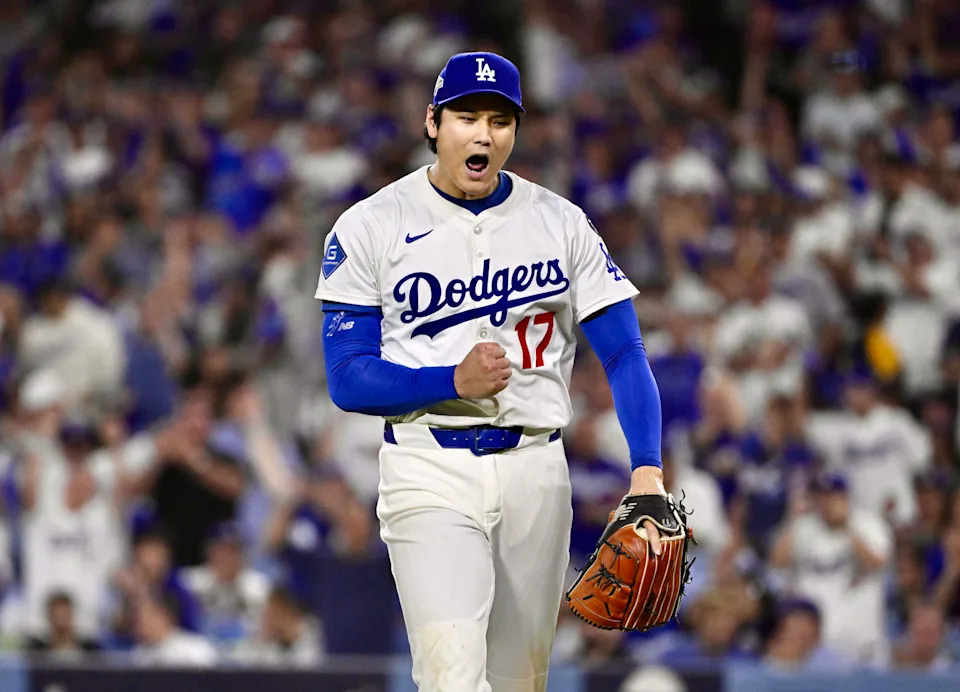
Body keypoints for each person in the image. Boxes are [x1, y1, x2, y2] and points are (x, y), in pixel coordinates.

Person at [315, 51, 670, 691]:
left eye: (500, 121)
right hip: (429, 466)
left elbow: (623, 353)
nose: (484, 134)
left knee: (516, 683)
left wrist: (646, 467)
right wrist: (449, 381)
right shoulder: (371, 224)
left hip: (538, 470)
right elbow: (347, 376)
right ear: (432, 122)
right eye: (467, 117)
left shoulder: (559, 221)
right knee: (452, 680)